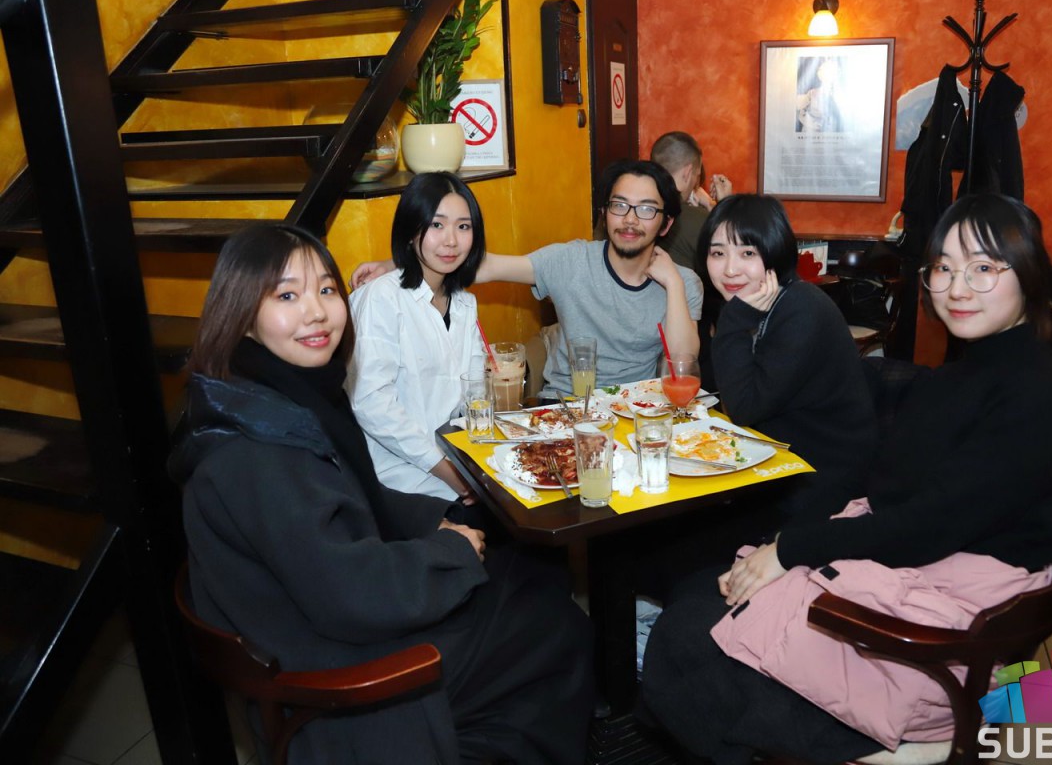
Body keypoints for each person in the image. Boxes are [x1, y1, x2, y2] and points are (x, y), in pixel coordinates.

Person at [639, 194, 1052, 764]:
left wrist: (791, 550)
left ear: (1028, 275)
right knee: (693, 599)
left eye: (982, 268)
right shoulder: (982, 368)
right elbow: (910, 500)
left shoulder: (1034, 393)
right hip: (920, 572)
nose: (957, 288)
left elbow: (923, 526)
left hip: (935, 638)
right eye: (944, 268)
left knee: (686, 637)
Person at [169, 223, 593, 765]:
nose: (316, 312)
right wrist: (451, 550)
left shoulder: (276, 398)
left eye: (326, 289)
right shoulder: (255, 452)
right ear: (241, 314)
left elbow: (355, 498)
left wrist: (439, 517)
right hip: (343, 669)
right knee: (554, 627)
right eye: (286, 296)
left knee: (529, 570)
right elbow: (349, 592)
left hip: (324, 618)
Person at [355, 159, 704, 395]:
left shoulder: (684, 282)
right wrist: (398, 262)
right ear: (604, 212)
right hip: (565, 408)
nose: (630, 219)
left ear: (666, 223)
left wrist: (672, 284)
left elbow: (684, 363)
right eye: (619, 205)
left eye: (646, 209)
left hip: (637, 410)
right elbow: (484, 264)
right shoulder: (570, 261)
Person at [698, 193, 877, 520]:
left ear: (774, 252)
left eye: (748, 253)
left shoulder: (801, 308)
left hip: (821, 478)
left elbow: (742, 408)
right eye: (718, 253)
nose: (730, 269)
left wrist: (733, 321)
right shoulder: (753, 302)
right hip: (773, 458)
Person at [346, 172, 485, 502]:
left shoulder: (465, 303)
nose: (451, 240)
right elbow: (371, 401)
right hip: (397, 480)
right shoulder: (381, 298)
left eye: (463, 226)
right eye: (437, 225)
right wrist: (449, 472)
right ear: (410, 230)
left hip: (457, 462)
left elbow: (474, 391)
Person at [593, 132, 733, 270]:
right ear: (687, 173)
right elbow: (732, 257)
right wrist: (725, 207)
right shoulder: (700, 220)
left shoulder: (615, 212)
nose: (630, 219)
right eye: (697, 176)